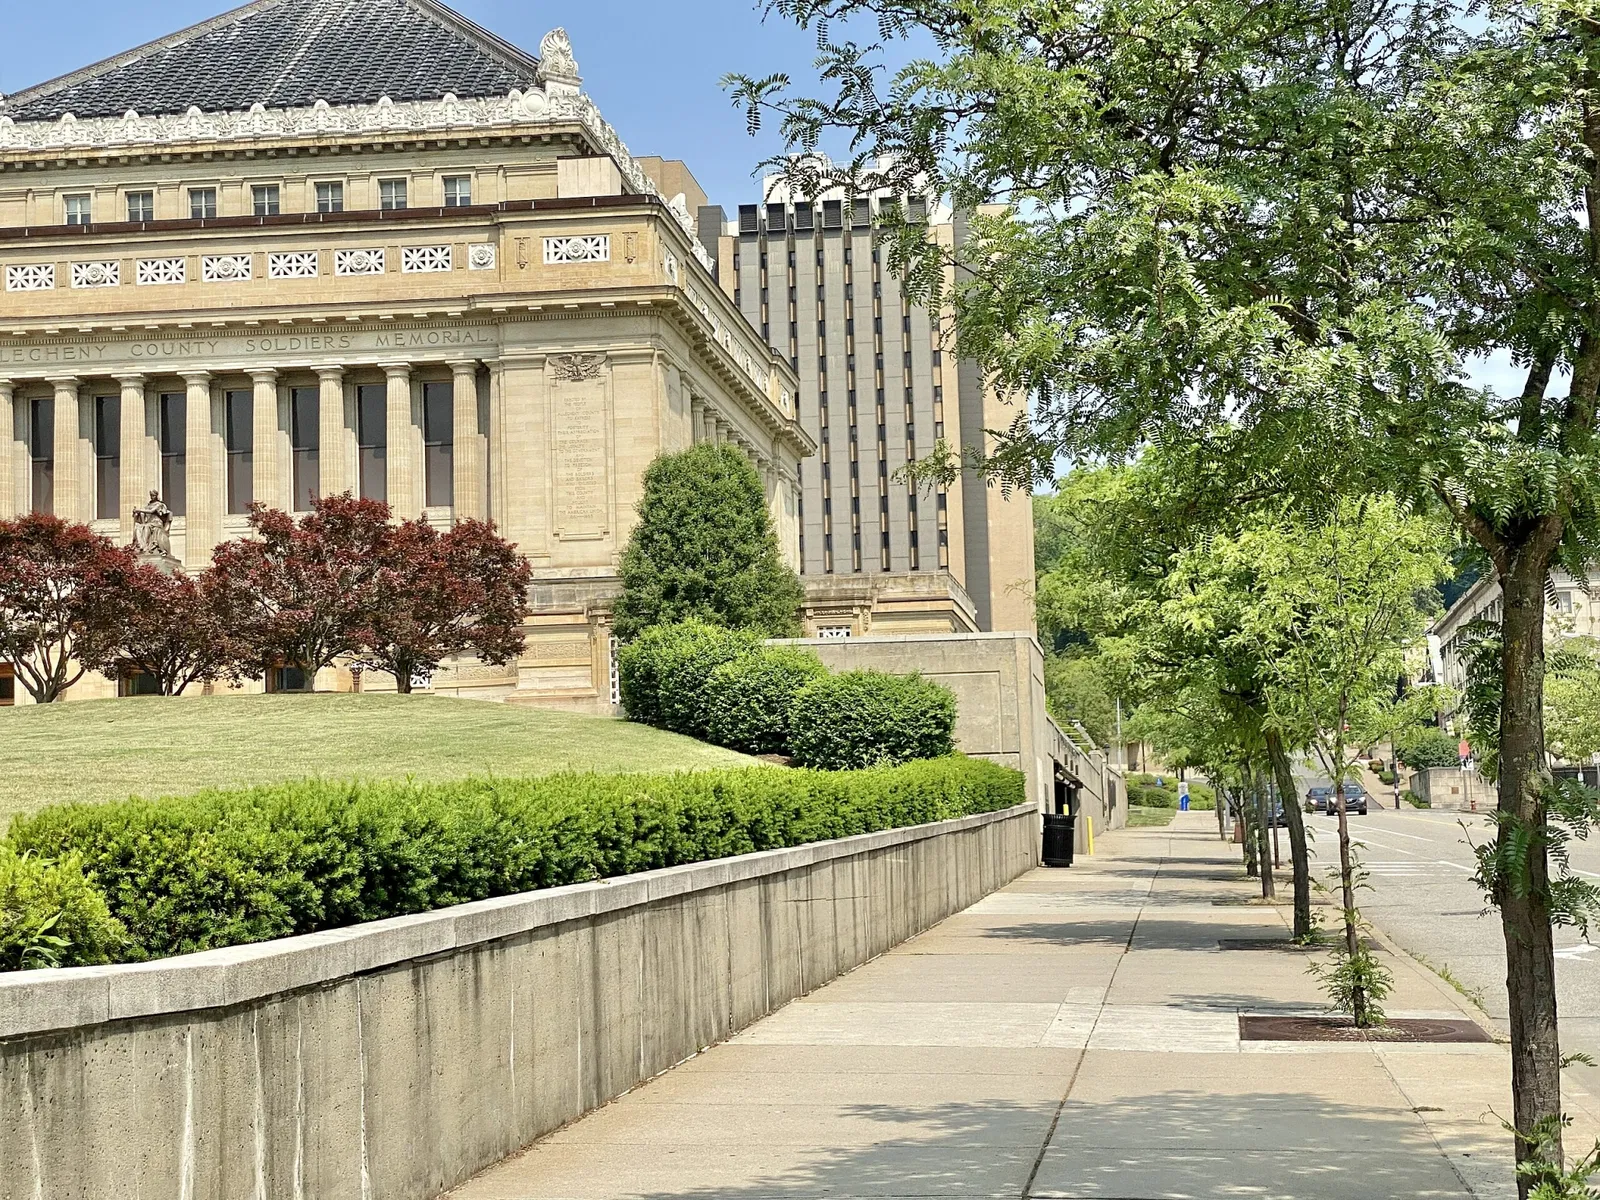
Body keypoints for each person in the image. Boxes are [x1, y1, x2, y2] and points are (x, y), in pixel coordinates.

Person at [132, 490, 173, 557]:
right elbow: (143, 513)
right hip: (149, 522)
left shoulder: (159, 504)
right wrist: (136, 513)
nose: (152, 497)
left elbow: (151, 511)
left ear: (156, 496)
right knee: (139, 527)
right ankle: (142, 546)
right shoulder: (149, 505)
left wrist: (139, 510)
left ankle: (145, 547)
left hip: (156, 522)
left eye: (153, 495)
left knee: (147, 527)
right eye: (151, 495)